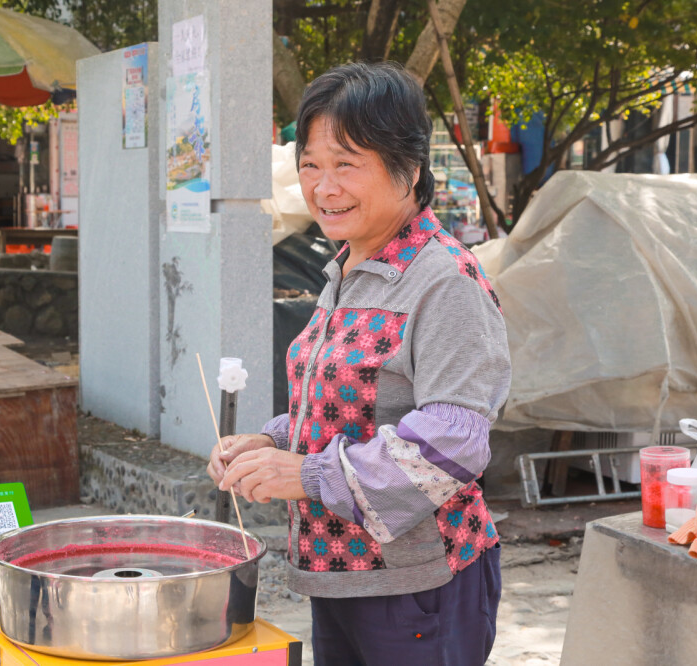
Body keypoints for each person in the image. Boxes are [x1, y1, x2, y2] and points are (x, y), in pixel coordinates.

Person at [208, 61, 511, 665]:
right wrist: (267, 442)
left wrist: (309, 475)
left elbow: (454, 442)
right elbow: (342, 405)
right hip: (336, 572)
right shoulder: (346, 269)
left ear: (409, 168)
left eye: (347, 163)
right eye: (311, 166)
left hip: (418, 586)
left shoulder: (443, 280)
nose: (324, 187)